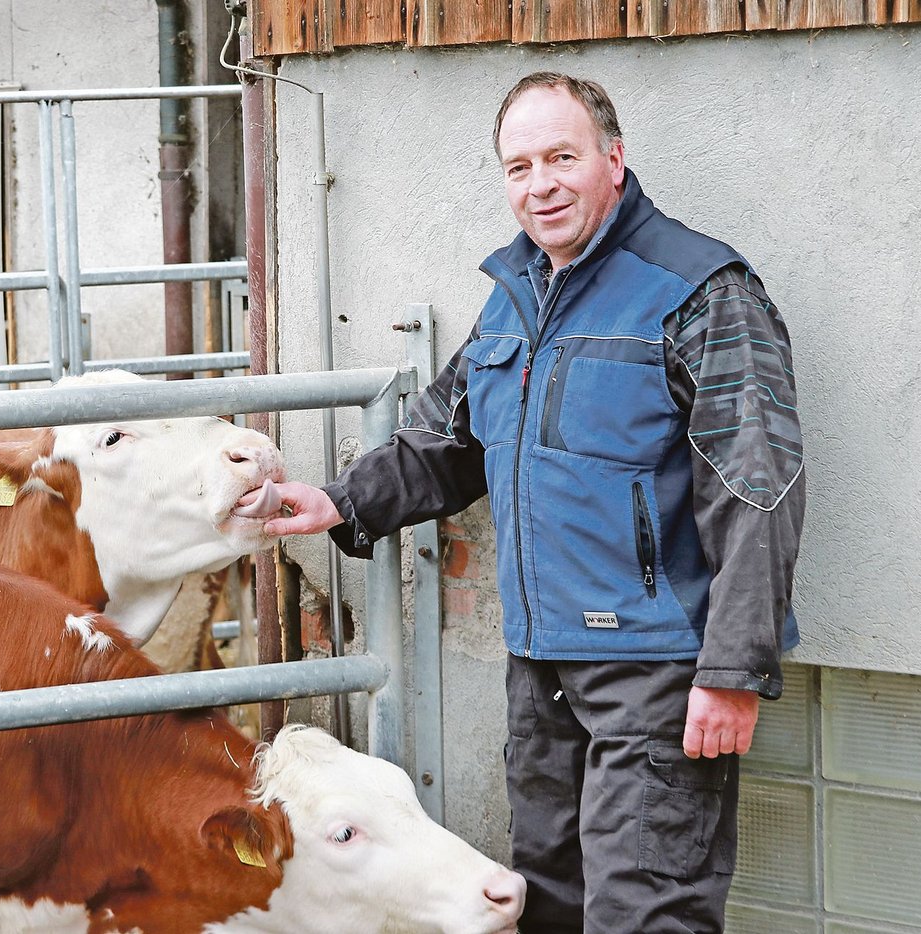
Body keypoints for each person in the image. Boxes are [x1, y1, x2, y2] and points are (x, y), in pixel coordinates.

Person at [256, 72, 804, 933]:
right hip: (540, 671)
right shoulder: (515, 292)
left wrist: (733, 672)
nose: (540, 183)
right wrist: (337, 503)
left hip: (656, 672)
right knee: (545, 902)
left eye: (561, 157)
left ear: (613, 161)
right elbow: (450, 437)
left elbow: (756, 488)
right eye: (519, 166)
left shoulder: (699, 290)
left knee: (646, 912)